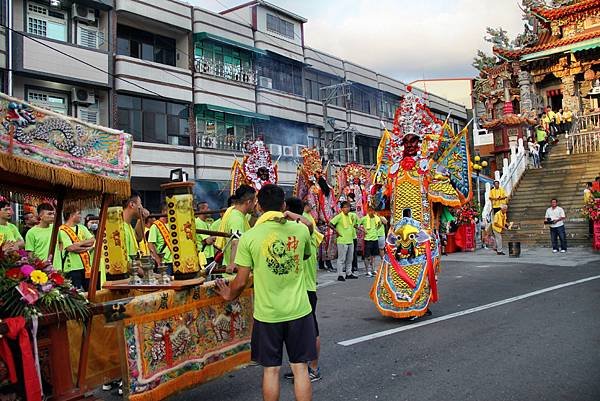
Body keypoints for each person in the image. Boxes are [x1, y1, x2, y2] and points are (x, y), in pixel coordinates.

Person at [216, 184, 316, 401]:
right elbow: (307, 249)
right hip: (299, 310)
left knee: (271, 370)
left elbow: (241, 281)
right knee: (300, 368)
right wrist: (298, 219)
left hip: (267, 314)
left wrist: (228, 295)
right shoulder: (299, 230)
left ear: (259, 206)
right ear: (283, 206)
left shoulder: (250, 237)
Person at [283, 197, 320, 382]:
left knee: (312, 331)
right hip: (295, 289)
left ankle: (313, 368)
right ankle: (300, 366)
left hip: (307, 288)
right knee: (294, 333)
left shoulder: (305, 226)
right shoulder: (292, 231)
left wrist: (291, 215)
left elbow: (309, 226)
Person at [216, 185, 256, 275]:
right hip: (235, 274)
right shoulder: (237, 218)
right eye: (254, 202)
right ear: (249, 202)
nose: (255, 205)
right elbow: (235, 241)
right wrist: (233, 263)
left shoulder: (237, 214)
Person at [58, 206, 95, 290]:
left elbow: (92, 240)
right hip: (72, 268)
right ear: (71, 215)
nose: (81, 216)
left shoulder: (82, 227)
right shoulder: (62, 230)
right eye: (79, 214)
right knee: (75, 292)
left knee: (90, 290)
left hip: (86, 266)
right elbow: (71, 248)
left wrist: (80, 243)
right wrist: (86, 248)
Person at [330, 201, 357, 281]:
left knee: (350, 258)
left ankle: (348, 273)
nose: (347, 209)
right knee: (341, 259)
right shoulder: (339, 216)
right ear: (341, 209)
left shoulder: (350, 216)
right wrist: (336, 231)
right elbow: (330, 223)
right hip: (342, 240)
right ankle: (340, 275)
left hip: (350, 239)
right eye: (345, 207)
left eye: (348, 207)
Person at [148, 204, 173, 274]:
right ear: (164, 211)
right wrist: (158, 260)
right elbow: (150, 244)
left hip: (176, 260)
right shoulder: (155, 226)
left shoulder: (173, 224)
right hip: (164, 262)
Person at [359, 209, 382, 277]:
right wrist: (363, 230)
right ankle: (367, 271)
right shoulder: (364, 218)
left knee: (374, 256)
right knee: (367, 256)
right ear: (368, 211)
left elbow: (380, 225)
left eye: (373, 211)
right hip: (368, 239)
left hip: (375, 238)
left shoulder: (376, 218)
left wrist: (376, 230)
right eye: (370, 211)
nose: (372, 212)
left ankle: (373, 269)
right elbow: (356, 225)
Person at [195, 201, 216, 265]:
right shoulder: (198, 223)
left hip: (208, 256)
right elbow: (208, 241)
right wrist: (219, 236)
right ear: (201, 210)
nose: (209, 210)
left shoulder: (206, 223)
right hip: (204, 256)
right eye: (207, 208)